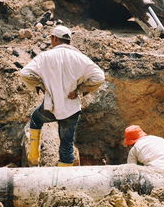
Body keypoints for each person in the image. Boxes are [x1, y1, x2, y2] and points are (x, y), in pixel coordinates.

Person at [20, 25, 105, 167]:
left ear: (54, 38)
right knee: (66, 146)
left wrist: (40, 85)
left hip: (50, 107)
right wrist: (79, 90)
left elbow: (25, 73)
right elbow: (99, 77)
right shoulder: (80, 58)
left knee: (35, 119)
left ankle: (34, 159)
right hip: (71, 109)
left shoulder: (45, 57)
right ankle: (63, 182)